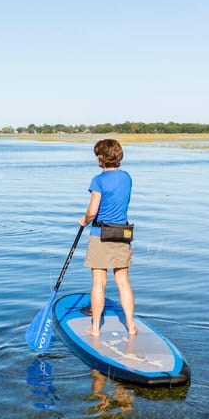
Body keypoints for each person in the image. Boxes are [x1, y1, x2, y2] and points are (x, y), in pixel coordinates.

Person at [79, 139, 137, 337]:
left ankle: (95, 328)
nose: (96, 158)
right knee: (123, 281)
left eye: (97, 155)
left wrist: (84, 220)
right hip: (123, 233)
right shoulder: (127, 177)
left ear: (102, 158)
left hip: (100, 234)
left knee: (98, 282)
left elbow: (93, 211)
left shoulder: (98, 180)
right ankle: (131, 327)